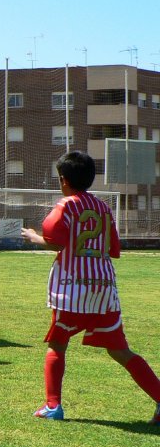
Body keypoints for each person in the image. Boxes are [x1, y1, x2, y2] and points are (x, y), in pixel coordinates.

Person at [21, 151, 160, 423]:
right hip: (104, 290)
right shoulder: (104, 208)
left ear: (63, 180)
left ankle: (53, 406)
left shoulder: (66, 205)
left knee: (57, 345)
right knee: (121, 351)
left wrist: (33, 237)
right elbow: (114, 249)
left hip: (72, 290)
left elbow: (54, 239)